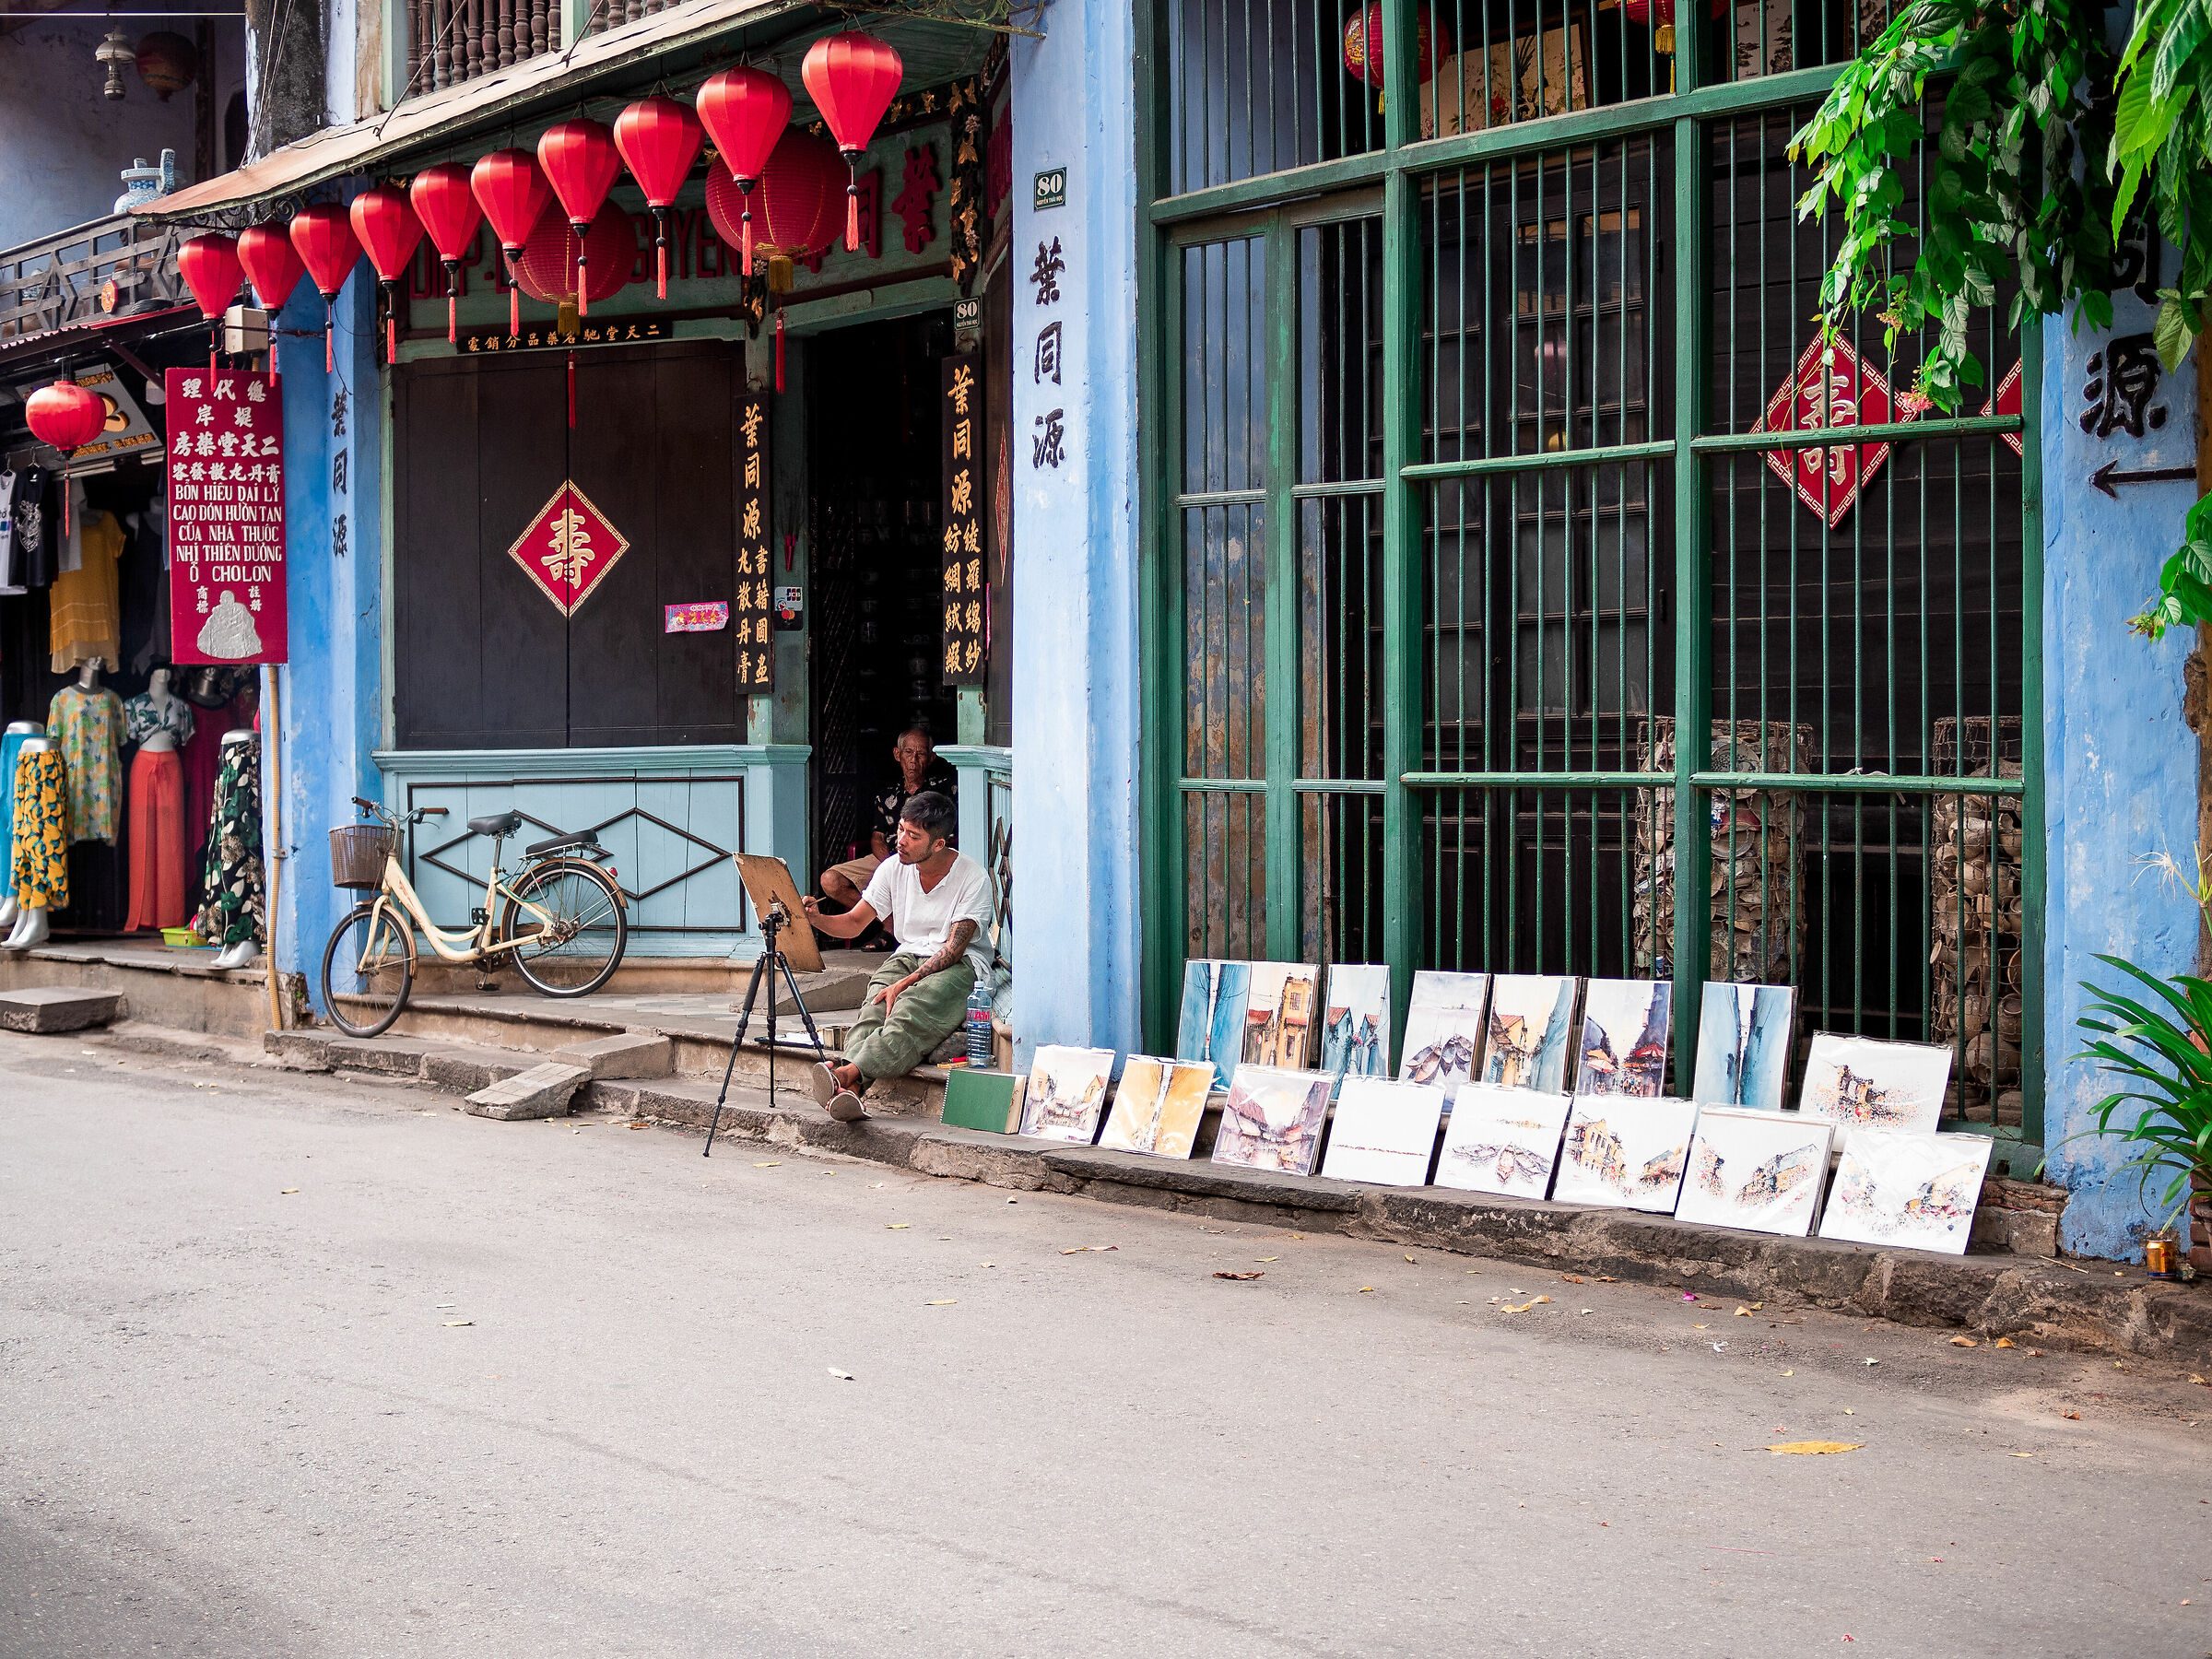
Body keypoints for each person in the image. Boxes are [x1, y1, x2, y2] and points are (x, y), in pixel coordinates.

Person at [802, 791, 993, 1122]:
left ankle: (846, 1074)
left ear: (938, 844)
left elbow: (953, 949)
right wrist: (814, 920)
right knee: (873, 1008)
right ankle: (851, 1087)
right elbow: (854, 923)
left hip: (962, 966)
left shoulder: (972, 877)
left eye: (912, 835)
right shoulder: (893, 868)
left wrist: (905, 984)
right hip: (907, 956)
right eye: (901, 829)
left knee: (910, 1008)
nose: (900, 840)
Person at [818, 726, 959, 911]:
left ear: (931, 758)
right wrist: (892, 867)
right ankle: (889, 922)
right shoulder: (886, 796)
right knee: (831, 881)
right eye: (908, 752)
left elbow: (952, 835)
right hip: (891, 858)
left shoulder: (945, 790)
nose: (913, 760)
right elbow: (877, 838)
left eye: (921, 754)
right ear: (897, 754)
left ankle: (887, 932)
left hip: (928, 858)